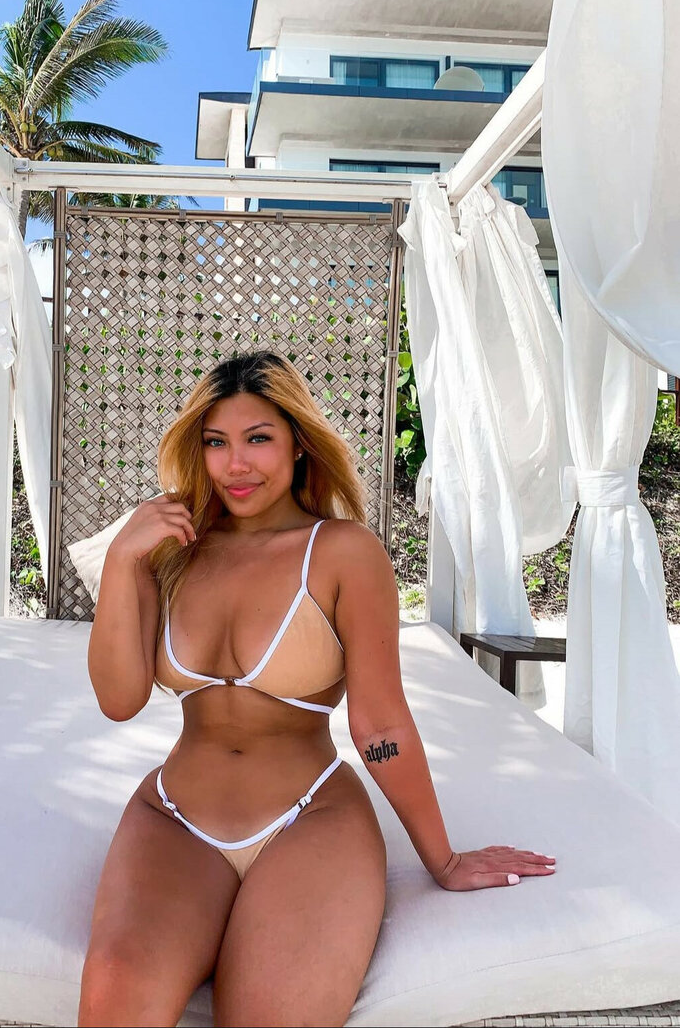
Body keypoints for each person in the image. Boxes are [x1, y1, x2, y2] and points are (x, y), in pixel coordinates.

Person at [79, 350, 555, 1027]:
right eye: (215, 442)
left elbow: (380, 727)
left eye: (258, 439)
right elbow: (118, 698)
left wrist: (443, 859)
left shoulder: (342, 552)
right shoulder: (171, 548)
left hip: (309, 820)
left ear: (298, 444)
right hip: (174, 818)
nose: (235, 464)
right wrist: (123, 558)